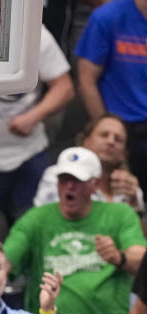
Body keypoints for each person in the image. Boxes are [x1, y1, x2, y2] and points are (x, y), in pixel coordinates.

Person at [2, 146, 146, 314]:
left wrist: (119, 257)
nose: (69, 186)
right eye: (64, 179)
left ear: (94, 184)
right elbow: (5, 260)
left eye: (77, 181)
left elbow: (142, 259)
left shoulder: (119, 214)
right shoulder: (37, 218)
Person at [0, 0, 74, 220]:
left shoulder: (32, 31)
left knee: (33, 227)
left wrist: (34, 116)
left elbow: (64, 87)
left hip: (28, 152)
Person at [74, 0, 147, 189]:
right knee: (115, 198)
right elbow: (86, 80)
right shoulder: (108, 17)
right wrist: (108, 131)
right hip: (121, 129)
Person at [35, 114, 144, 215]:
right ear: (84, 141)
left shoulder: (130, 187)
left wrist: (135, 205)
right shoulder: (58, 175)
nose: (111, 142)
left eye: (118, 139)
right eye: (104, 135)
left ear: (124, 154)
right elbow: (46, 224)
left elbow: (140, 235)